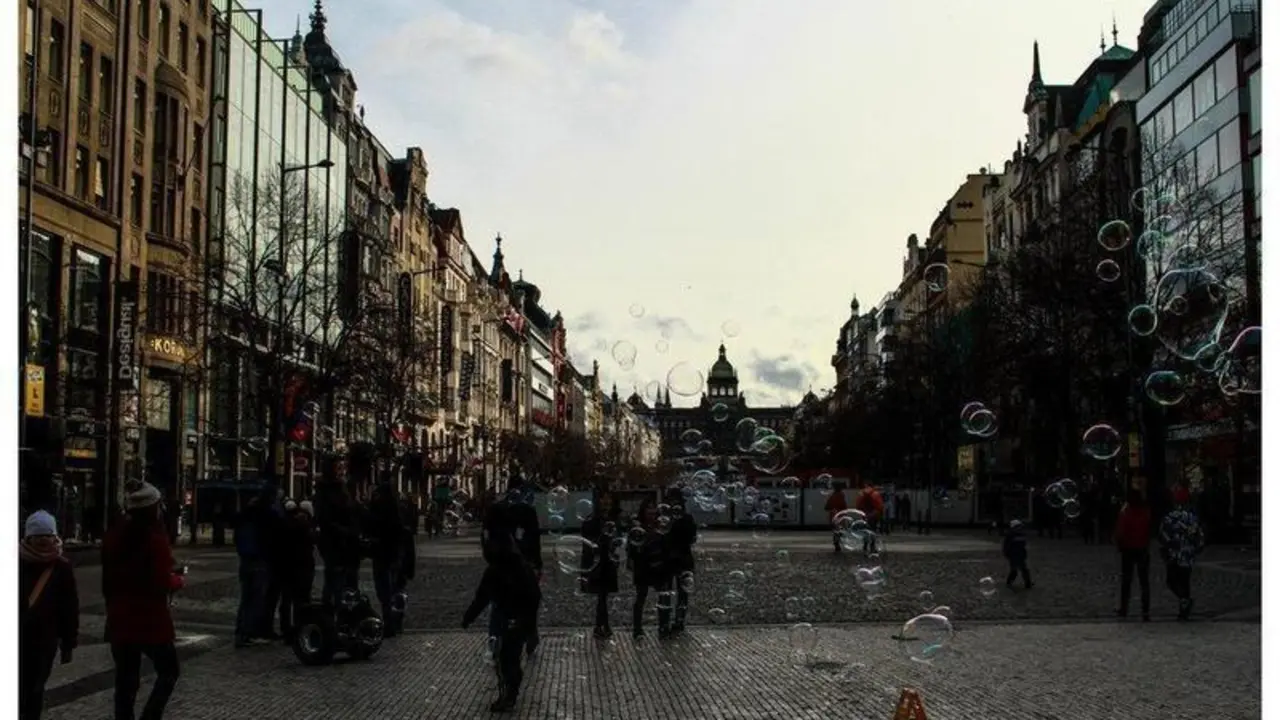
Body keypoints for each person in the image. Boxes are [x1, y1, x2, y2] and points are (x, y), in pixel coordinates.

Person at [103, 481, 184, 720]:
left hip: (119, 616)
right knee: (169, 671)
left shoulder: (114, 536)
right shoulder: (154, 539)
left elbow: (108, 579)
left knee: (126, 680)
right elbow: (160, 581)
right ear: (153, 508)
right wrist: (176, 581)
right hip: (149, 619)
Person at [462, 522, 542, 713]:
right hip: (513, 618)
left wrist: (469, 617)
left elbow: (482, 597)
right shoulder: (518, 566)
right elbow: (534, 596)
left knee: (507, 658)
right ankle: (509, 693)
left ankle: (508, 695)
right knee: (508, 657)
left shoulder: (500, 569)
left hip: (511, 618)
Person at [19, 510, 79, 720]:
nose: (44, 540)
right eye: (38, 535)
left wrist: (68, 643)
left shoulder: (62, 567)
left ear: (55, 536)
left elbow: (69, 607)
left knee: (34, 690)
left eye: (47, 535)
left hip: (44, 641)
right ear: (28, 537)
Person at [365, 483, 409, 637]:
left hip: (383, 556)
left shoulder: (378, 511)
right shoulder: (397, 511)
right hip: (394, 556)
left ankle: (390, 623)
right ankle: (396, 622)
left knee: (385, 593)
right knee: (394, 591)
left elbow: (371, 529)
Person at [579, 490, 621, 638]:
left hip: (608, 561)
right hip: (597, 562)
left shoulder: (613, 519)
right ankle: (602, 626)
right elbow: (588, 543)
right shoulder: (592, 520)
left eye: (609, 498)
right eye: (604, 498)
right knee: (602, 595)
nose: (607, 501)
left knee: (604, 595)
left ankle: (601, 626)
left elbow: (616, 540)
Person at [627, 499, 672, 639]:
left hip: (659, 566)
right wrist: (632, 561)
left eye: (653, 508)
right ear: (643, 511)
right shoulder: (637, 528)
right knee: (641, 597)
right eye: (648, 508)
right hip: (643, 566)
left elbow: (666, 546)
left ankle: (664, 626)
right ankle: (637, 628)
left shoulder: (660, 526)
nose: (651, 512)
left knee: (664, 596)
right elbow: (631, 548)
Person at [1159, 486, 1205, 621]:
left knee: (1171, 580)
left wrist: (1167, 547)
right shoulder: (1192, 518)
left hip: (1174, 555)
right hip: (1188, 555)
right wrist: (1196, 548)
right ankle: (1184, 610)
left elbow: (1163, 535)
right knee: (1185, 582)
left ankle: (1184, 601)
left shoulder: (1170, 517)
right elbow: (1199, 536)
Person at [315, 484, 362, 608]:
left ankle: (332, 608)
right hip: (342, 555)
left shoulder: (331, 512)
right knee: (341, 586)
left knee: (334, 585)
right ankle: (340, 608)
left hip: (340, 555)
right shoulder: (350, 510)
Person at [233, 495, 270, 648]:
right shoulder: (260, 522)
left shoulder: (242, 521)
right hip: (258, 562)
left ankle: (241, 633)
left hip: (245, 562)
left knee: (246, 599)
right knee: (256, 599)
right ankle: (249, 633)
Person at [278, 500, 317, 643]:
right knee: (302, 599)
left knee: (287, 599)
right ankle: (300, 627)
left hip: (287, 566)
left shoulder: (285, 524)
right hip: (303, 566)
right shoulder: (305, 527)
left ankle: (286, 629)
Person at [662, 489, 697, 635]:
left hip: (681, 559)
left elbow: (691, 537)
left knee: (681, 593)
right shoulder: (666, 518)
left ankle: (678, 621)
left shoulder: (686, 518)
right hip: (671, 560)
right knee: (666, 593)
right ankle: (665, 622)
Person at [1114, 488, 1152, 621]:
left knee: (1126, 580)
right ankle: (1145, 610)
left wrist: (1119, 544)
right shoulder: (1146, 512)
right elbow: (1149, 529)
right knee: (1144, 581)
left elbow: (1120, 531)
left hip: (1128, 549)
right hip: (1142, 548)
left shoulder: (1126, 512)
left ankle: (1124, 608)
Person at [1002, 519, 1033, 590]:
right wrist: (1007, 554)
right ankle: (1009, 582)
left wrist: (1024, 553)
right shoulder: (1010, 535)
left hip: (1020, 555)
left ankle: (1028, 583)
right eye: (1018, 526)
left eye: (1020, 526)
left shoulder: (1022, 534)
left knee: (1024, 570)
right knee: (1014, 570)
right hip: (1013, 555)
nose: (1019, 528)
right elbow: (1006, 546)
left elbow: (1023, 545)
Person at [824, 486, 848, 553]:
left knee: (836, 531)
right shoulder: (841, 496)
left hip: (833, 516)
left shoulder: (832, 496)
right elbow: (844, 506)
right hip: (840, 516)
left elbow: (826, 507)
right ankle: (837, 543)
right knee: (840, 530)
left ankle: (836, 544)